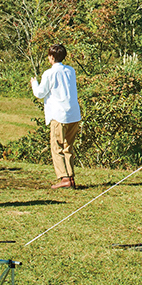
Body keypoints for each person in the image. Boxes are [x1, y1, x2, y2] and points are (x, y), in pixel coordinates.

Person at [30, 44, 82, 189]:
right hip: (74, 114)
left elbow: (40, 93)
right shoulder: (71, 71)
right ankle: (70, 177)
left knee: (56, 146)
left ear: (51, 57)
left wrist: (35, 83)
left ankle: (64, 178)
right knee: (68, 147)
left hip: (59, 115)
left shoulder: (49, 73)